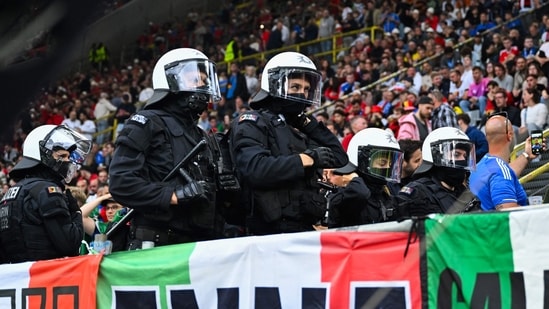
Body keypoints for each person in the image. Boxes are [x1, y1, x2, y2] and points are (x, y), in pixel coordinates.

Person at [109, 48, 226, 249]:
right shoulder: (146, 123)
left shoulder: (202, 135)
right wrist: (173, 196)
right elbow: (121, 183)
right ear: (170, 80)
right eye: (194, 78)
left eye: (205, 80)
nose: (202, 85)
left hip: (199, 245)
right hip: (157, 244)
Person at [229, 51, 348, 235]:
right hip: (267, 231)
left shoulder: (299, 129)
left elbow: (340, 158)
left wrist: (309, 124)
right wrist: (306, 159)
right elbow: (255, 168)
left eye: (307, 89)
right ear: (275, 86)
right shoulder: (252, 121)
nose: (302, 93)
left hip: (303, 227)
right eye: (295, 87)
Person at [0, 125, 91, 263]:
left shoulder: (11, 193)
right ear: (43, 155)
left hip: (15, 278)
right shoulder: (48, 191)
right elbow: (70, 244)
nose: (68, 161)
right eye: (62, 156)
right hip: (47, 276)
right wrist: (76, 213)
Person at [325, 128, 403, 228]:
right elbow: (360, 193)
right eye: (382, 163)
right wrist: (353, 177)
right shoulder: (344, 194)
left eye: (391, 163)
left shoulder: (385, 193)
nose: (388, 167)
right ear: (362, 160)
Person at [396, 127, 477, 217]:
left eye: (465, 156)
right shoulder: (417, 194)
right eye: (456, 154)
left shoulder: (463, 192)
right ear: (436, 156)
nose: (463, 160)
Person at [469, 112, 541, 211]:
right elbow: (508, 213)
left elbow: (505, 172)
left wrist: (527, 154)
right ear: (510, 135)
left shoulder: (481, 165)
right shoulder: (501, 172)